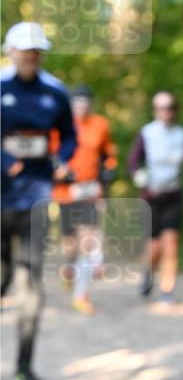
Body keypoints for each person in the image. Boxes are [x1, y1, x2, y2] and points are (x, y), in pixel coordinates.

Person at [1, 22, 76, 380]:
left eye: (36, 51)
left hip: (35, 197)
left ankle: (24, 367)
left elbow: (69, 136)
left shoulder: (55, 92)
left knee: (31, 286)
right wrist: (4, 160)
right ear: (10, 51)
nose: (30, 56)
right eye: (23, 50)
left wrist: (62, 159)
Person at [128, 91, 183, 306]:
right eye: (161, 108)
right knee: (154, 247)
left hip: (173, 195)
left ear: (175, 110)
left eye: (169, 107)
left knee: (171, 244)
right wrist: (138, 175)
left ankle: (167, 290)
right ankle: (148, 274)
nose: (166, 112)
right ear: (155, 110)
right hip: (151, 196)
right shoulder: (147, 133)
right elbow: (133, 161)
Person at [52, 85, 117, 315]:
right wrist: (59, 171)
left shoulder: (100, 125)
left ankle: (81, 295)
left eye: (85, 102)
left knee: (87, 240)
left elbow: (108, 155)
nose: (82, 107)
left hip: (90, 190)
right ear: (71, 105)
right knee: (70, 244)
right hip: (66, 192)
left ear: (90, 104)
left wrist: (108, 171)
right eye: (77, 103)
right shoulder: (60, 126)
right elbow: (50, 156)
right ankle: (69, 268)